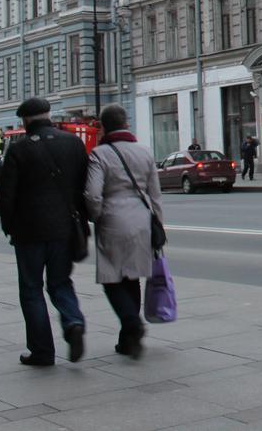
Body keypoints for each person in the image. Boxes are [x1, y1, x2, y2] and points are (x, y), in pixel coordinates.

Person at [0, 97, 89, 366]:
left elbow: (5, 195)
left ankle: (42, 351)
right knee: (60, 282)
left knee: (31, 289)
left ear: (25, 121)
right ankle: (73, 322)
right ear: (48, 114)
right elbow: (85, 185)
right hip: (64, 228)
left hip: (28, 231)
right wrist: (81, 223)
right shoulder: (73, 143)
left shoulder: (19, 149)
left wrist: (9, 226)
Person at [84, 104, 162, 360]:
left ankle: (132, 322)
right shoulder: (145, 152)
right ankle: (127, 340)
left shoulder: (100, 154)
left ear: (104, 127)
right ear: (126, 123)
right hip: (142, 219)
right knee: (132, 277)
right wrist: (158, 225)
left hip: (113, 220)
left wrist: (96, 215)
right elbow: (155, 195)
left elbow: (93, 194)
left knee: (111, 279)